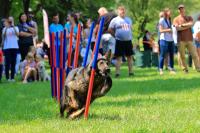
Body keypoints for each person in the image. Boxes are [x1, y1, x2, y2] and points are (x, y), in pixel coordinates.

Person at [173, 4, 200, 73]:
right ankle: (185, 69)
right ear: (178, 10)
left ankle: (198, 68)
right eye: (180, 9)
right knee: (183, 56)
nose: (181, 10)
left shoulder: (189, 17)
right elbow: (177, 29)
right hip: (181, 40)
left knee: (195, 55)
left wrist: (182, 25)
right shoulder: (176, 19)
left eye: (182, 8)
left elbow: (191, 24)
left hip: (190, 39)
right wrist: (186, 26)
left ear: (184, 9)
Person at [108, 6, 134, 77]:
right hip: (119, 41)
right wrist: (115, 36)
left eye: (123, 10)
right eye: (121, 10)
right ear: (118, 11)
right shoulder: (115, 20)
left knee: (129, 57)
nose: (122, 12)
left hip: (128, 41)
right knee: (118, 57)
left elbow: (131, 28)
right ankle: (117, 73)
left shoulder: (128, 19)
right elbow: (109, 29)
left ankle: (131, 72)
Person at [159, 8, 176, 75]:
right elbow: (160, 30)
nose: (170, 12)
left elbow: (172, 28)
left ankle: (171, 69)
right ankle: (161, 69)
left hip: (171, 40)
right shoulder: (162, 20)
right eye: (169, 11)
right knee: (163, 55)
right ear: (165, 13)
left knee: (171, 55)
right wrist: (168, 30)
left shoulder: (170, 20)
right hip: (164, 40)